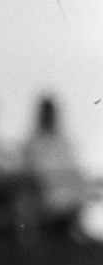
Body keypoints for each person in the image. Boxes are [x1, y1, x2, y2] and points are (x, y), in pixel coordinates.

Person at [20, 93, 91, 234]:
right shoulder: (32, 144)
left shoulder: (64, 143)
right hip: (46, 206)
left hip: (71, 206)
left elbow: (75, 174)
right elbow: (31, 175)